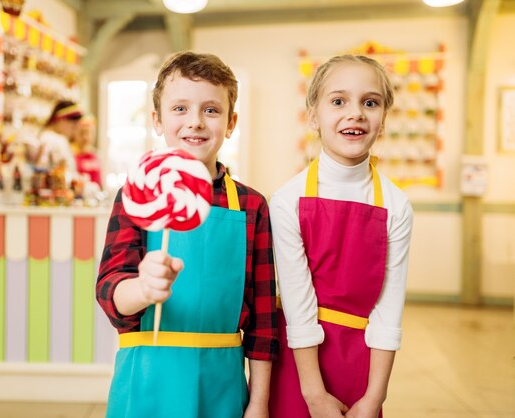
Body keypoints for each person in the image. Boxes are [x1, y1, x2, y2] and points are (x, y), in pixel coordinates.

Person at [97, 51, 278, 418]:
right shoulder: (138, 195)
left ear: (231, 123)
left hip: (222, 381)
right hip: (146, 377)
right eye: (179, 108)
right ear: (157, 120)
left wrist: (258, 402)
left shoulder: (251, 206)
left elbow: (262, 319)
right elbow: (110, 293)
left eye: (211, 110)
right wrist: (144, 289)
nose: (195, 122)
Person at [268, 55, 413, 418]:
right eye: (338, 101)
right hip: (301, 367)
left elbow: (388, 310)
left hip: (364, 365)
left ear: (383, 118)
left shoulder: (397, 205)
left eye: (370, 102)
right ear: (313, 116)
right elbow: (299, 311)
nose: (356, 113)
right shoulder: (288, 200)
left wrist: (374, 397)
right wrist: (315, 396)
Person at [30, 100, 82, 174]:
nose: (74, 132)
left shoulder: (47, 137)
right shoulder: (53, 139)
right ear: (61, 120)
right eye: (73, 126)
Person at [71, 114, 103, 189]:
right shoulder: (71, 154)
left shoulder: (97, 154)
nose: (86, 137)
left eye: (89, 133)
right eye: (82, 133)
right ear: (75, 133)